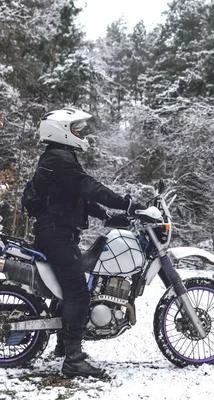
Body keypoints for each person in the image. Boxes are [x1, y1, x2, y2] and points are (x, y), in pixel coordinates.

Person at [33, 107, 144, 378]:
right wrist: (126, 203)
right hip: (57, 235)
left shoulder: (57, 157)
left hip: (57, 233)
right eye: (75, 128)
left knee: (71, 286)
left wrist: (106, 215)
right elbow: (88, 187)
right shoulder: (60, 158)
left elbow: (76, 197)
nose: (81, 134)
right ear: (60, 130)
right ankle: (73, 360)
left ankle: (63, 347)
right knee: (79, 293)